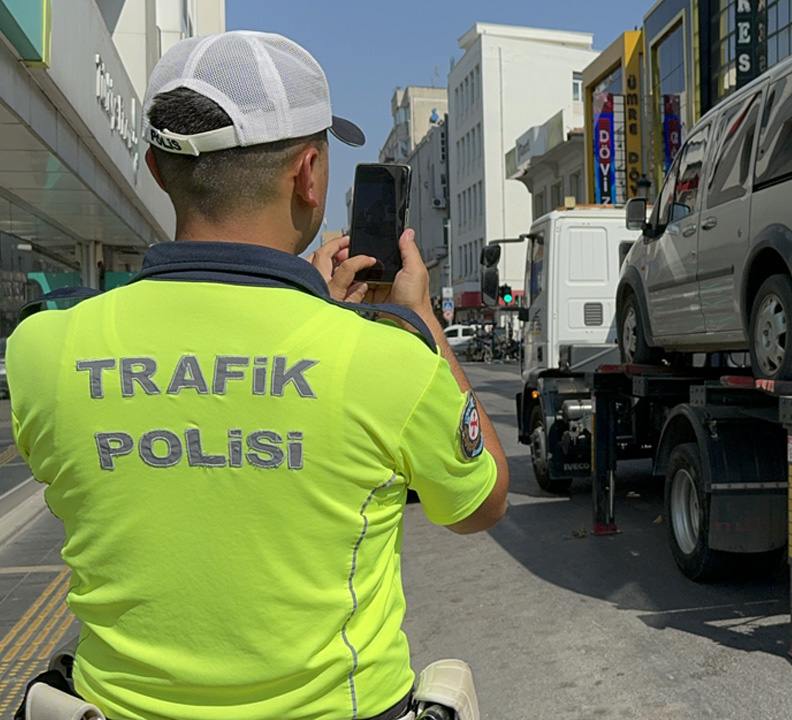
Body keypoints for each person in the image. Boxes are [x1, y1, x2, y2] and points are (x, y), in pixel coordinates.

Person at [6, 31, 508, 720]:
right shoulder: (389, 362)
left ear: (156, 166)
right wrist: (417, 322)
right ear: (309, 173)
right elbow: (481, 503)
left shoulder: (43, 352)